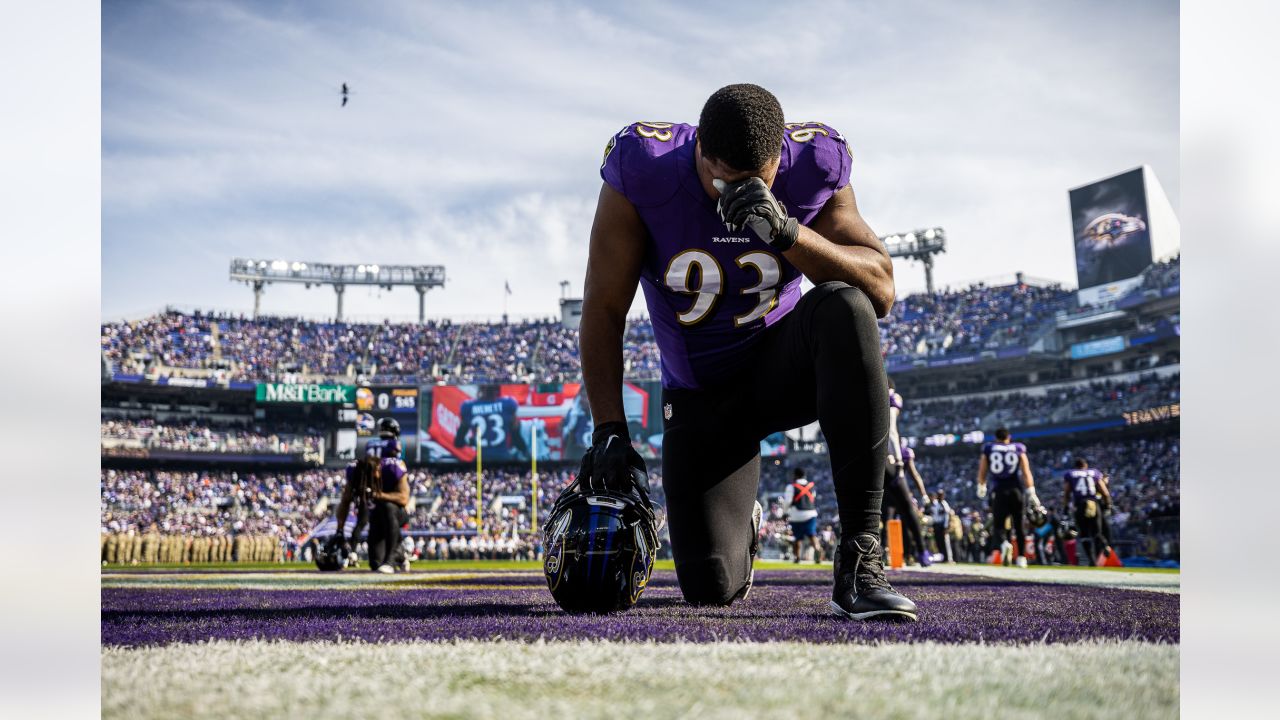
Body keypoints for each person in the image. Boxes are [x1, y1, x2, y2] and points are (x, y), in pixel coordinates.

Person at [578, 83, 915, 620]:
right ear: (700, 154)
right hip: (703, 397)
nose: (736, 195)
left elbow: (881, 288)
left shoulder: (813, 164)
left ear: (780, 157)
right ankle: (742, 526)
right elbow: (603, 305)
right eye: (723, 183)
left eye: (756, 180)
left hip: (783, 370)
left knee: (845, 307)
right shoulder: (645, 168)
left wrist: (788, 231)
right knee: (711, 586)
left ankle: (860, 558)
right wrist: (609, 428)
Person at [331, 418, 411, 573]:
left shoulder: (393, 468)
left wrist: (378, 495)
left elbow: (403, 499)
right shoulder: (356, 471)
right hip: (376, 518)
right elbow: (345, 501)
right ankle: (399, 553)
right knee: (375, 563)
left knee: (388, 507)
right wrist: (339, 530)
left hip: (397, 513)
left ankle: (391, 559)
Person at [976, 428, 1045, 568]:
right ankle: (1021, 558)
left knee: (999, 525)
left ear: (996, 438)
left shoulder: (989, 448)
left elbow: (982, 469)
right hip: (1016, 490)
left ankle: (1004, 544)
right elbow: (1026, 471)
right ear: (1009, 437)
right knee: (1019, 525)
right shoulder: (1018, 447)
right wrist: (1031, 491)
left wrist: (981, 485)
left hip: (999, 491)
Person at [883, 380, 929, 566]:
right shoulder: (891, 397)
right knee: (908, 509)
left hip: (865, 456)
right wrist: (899, 463)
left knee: (877, 515)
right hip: (888, 458)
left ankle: (875, 554)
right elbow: (891, 431)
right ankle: (921, 551)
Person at [1063, 458, 1112, 566]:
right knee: (1097, 532)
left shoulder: (1071, 474)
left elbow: (1067, 492)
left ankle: (1092, 560)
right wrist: (1108, 505)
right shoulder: (1094, 473)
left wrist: (1066, 507)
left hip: (1080, 505)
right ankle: (1105, 545)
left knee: (1084, 534)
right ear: (1085, 465)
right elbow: (1105, 492)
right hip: (1093, 504)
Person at [784, 468, 824, 563]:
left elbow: (788, 501)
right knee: (812, 535)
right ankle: (818, 551)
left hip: (796, 514)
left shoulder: (791, 486)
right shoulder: (811, 486)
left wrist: (785, 512)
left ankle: (797, 558)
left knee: (797, 537)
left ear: (795, 475)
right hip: (811, 514)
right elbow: (812, 498)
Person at [927, 490, 955, 563]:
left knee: (945, 542)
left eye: (941, 495)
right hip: (936, 525)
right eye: (939, 495)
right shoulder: (934, 504)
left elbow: (947, 515)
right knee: (938, 542)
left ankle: (948, 558)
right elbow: (933, 515)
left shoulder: (944, 504)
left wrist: (946, 526)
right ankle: (941, 557)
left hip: (942, 525)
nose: (940, 496)